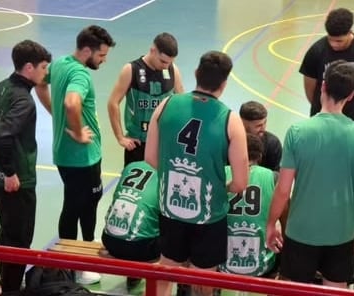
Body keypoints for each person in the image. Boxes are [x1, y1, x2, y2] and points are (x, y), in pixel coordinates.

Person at [145, 50, 249, 296]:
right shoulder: (230, 120)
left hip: (171, 208)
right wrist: (220, 187)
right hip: (208, 215)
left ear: (195, 74)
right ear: (224, 83)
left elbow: (150, 157)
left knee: (166, 272)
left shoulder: (167, 104)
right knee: (203, 280)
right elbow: (241, 182)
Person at [266, 60, 354, 289]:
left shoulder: (298, 132)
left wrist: (271, 223)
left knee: (295, 290)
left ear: (322, 86)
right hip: (341, 234)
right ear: (352, 95)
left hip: (300, 233)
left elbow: (283, 189)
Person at [35, 25, 116, 285]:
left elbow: (40, 84)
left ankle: (67, 265)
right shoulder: (80, 74)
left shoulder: (59, 64)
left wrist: (55, 114)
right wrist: (79, 132)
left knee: (71, 205)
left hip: (63, 155)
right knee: (87, 205)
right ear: (86, 50)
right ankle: (83, 265)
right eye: (101, 56)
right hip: (84, 157)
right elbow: (72, 103)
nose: (103, 61)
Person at [0, 40, 51, 295]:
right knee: (19, 239)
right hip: (17, 181)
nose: (45, 73)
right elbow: (2, 136)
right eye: (43, 67)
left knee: (6, 230)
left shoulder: (4, 85)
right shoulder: (24, 101)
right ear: (29, 67)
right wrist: (11, 173)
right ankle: (11, 290)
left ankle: (7, 283)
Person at [108, 32, 184, 166]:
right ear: (153, 51)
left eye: (170, 62)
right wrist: (120, 137)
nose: (166, 66)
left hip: (163, 143)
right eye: (163, 61)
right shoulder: (131, 70)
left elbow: (181, 104)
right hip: (138, 144)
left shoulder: (173, 70)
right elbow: (113, 103)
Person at [299, 7, 354, 125]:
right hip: (321, 116)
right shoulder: (316, 52)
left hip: (352, 116)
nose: (334, 44)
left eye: (339, 41)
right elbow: (309, 88)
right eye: (330, 39)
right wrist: (321, 106)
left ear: (350, 32)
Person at [218, 133, 279, 278]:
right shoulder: (273, 177)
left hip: (223, 265)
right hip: (262, 265)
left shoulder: (221, 173)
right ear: (260, 156)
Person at [101, 160, 160, 289]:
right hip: (142, 249)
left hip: (109, 241)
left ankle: (133, 276)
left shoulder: (131, 166)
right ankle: (184, 287)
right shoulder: (165, 174)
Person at [239, 101, 282, 171]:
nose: (263, 128)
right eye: (258, 126)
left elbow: (275, 175)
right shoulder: (231, 141)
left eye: (265, 123)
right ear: (243, 124)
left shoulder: (273, 145)